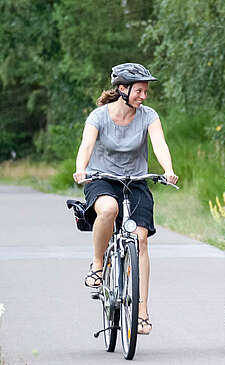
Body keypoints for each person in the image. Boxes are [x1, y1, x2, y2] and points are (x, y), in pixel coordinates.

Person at [73, 62, 178, 335]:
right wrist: (81, 168)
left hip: (137, 182)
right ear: (122, 89)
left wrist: (168, 170)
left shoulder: (148, 116)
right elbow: (86, 145)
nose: (144, 96)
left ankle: (142, 312)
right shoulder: (99, 116)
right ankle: (97, 264)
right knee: (108, 209)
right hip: (102, 179)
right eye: (139, 91)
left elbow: (159, 144)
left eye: (145, 91)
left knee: (140, 239)